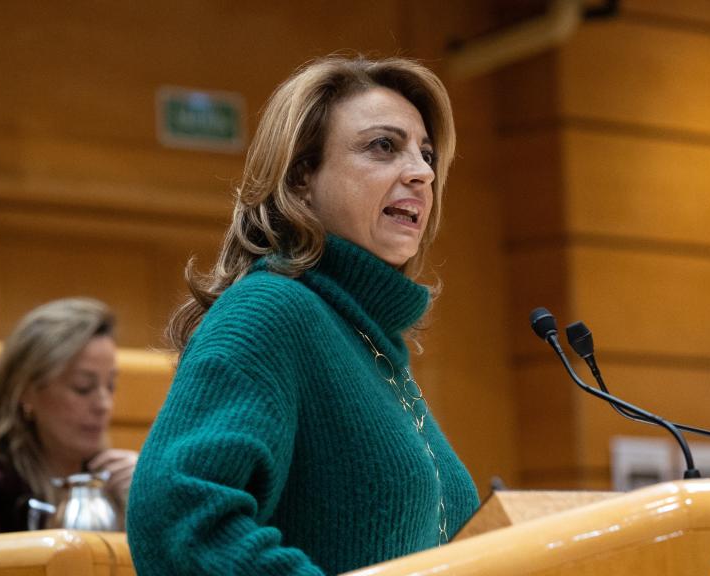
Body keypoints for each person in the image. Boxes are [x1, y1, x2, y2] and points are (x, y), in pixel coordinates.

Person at [126, 55, 479, 575]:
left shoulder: (366, 340)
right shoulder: (268, 311)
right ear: (299, 180)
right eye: (384, 146)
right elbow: (176, 516)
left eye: (425, 154)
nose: (422, 173)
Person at [0, 298, 138, 537]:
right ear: (26, 392)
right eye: (83, 387)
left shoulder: (121, 481)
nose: (104, 404)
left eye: (110, 386)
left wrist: (148, 500)